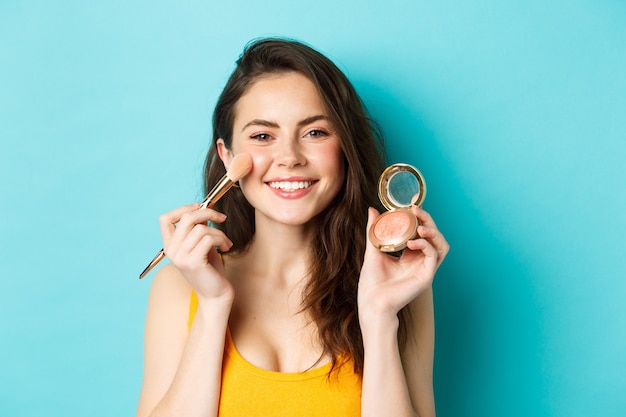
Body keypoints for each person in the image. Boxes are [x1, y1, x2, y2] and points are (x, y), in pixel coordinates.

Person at [136, 38, 449, 417]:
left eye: (315, 132)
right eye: (263, 136)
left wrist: (380, 318)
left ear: (345, 147)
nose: (289, 158)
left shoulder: (400, 285)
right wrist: (214, 305)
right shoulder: (177, 288)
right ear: (227, 155)